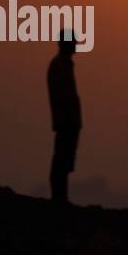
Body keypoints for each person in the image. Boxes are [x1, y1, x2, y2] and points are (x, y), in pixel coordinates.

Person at [46, 32, 81, 204]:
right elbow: (62, 96)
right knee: (61, 160)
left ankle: (61, 198)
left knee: (65, 160)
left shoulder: (64, 64)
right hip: (66, 121)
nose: (76, 45)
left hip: (68, 120)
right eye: (73, 42)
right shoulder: (60, 65)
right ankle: (59, 199)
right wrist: (66, 119)